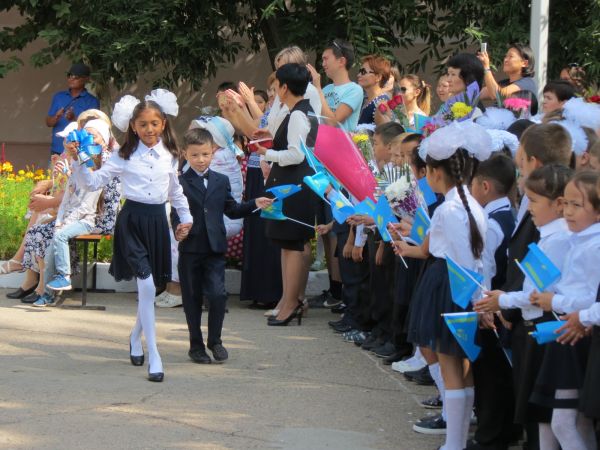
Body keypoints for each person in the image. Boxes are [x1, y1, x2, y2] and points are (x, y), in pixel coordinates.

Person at [68, 89, 192, 383]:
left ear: (163, 124)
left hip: (158, 222)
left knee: (150, 288)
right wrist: (79, 160)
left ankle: (135, 337)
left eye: (154, 123)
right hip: (132, 222)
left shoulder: (171, 155)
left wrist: (186, 218)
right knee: (146, 286)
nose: (149, 129)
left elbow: (176, 192)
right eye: (143, 124)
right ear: (133, 127)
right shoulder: (122, 156)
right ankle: (155, 355)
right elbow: (92, 182)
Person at [475, 124, 573, 449]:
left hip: (539, 322)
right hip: (523, 315)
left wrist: (506, 304)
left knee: (545, 413)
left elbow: (534, 273)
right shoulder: (540, 206)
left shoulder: (553, 222)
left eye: (519, 161)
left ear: (533, 161)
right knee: (533, 407)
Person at [172, 128, 272, 364]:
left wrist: (254, 203)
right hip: (191, 248)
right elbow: (176, 212)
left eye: (205, 154)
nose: (201, 160)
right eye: (195, 155)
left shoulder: (220, 180)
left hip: (214, 248)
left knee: (218, 295)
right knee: (192, 299)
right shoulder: (179, 182)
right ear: (185, 154)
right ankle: (196, 346)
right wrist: (178, 228)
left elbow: (232, 209)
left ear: (213, 152)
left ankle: (215, 341)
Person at [526, 171, 600, 450]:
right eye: (566, 203)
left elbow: (591, 298)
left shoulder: (594, 246)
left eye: (577, 205)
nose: (567, 211)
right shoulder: (578, 239)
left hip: (577, 334)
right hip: (568, 330)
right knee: (574, 422)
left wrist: (554, 301)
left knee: (564, 423)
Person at [254, 63, 319, 326]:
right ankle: (288, 300)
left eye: (276, 86)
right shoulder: (301, 111)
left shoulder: (298, 115)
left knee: (292, 246)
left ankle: (292, 303)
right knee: (287, 245)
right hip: (291, 185)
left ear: (284, 87)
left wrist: (266, 153)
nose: (275, 91)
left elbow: (296, 154)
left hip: (293, 185)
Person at [469, 155, 520, 450]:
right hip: (503, 305)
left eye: (473, 184)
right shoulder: (509, 215)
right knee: (502, 372)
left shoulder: (492, 223)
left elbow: (484, 268)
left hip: (492, 307)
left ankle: (490, 437)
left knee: (490, 375)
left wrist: (481, 304)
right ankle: (506, 430)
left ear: (485, 186)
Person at [32, 120, 110, 305]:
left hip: (85, 221)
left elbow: (85, 209)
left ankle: (64, 276)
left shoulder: (96, 181)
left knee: (59, 236)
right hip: (69, 220)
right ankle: (48, 295)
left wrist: (64, 224)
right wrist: (60, 221)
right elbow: (66, 202)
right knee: (50, 252)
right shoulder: (75, 176)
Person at [307, 39, 364, 132]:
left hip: (340, 141)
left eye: (326, 59)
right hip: (320, 140)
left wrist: (317, 88)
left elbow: (333, 122)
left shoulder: (355, 90)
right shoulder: (326, 89)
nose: (323, 64)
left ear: (341, 61)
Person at [45, 63, 100, 156]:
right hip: (57, 150)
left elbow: (91, 129)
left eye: (76, 77)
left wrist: (74, 119)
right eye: (70, 75)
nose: (71, 79)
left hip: (80, 151)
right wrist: (56, 117)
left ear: (86, 79)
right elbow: (48, 123)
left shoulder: (92, 101)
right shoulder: (58, 97)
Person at [478, 43, 538, 115]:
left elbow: (497, 95)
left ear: (524, 63)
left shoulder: (527, 82)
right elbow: (476, 94)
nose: (505, 60)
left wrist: (486, 68)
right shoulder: (504, 83)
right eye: (505, 56)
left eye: (510, 56)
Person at [356, 54, 391, 128]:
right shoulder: (364, 99)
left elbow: (386, 133)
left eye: (363, 72)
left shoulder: (382, 103)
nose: (358, 75)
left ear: (378, 77)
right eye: (359, 71)